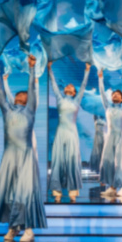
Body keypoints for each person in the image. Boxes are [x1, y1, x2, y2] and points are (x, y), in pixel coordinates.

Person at [0, 54, 46, 242]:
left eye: (25, 94)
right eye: (18, 94)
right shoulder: (7, 110)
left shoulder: (30, 110)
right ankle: (13, 227)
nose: (21, 95)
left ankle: (28, 229)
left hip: (25, 156)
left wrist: (32, 68)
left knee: (25, 191)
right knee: (10, 192)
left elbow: (32, 88)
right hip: (9, 156)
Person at [49, 61, 90, 203]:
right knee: (58, 161)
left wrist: (87, 71)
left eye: (71, 86)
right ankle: (57, 192)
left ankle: (73, 192)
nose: (68, 86)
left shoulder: (76, 101)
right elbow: (54, 85)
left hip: (72, 133)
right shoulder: (59, 99)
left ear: (74, 93)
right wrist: (50, 69)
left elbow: (83, 86)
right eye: (67, 85)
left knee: (72, 162)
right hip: (60, 133)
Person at [97, 68, 122, 200]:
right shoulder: (108, 107)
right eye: (113, 94)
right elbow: (102, 93)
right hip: (109, 137)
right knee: (108, 161)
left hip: (120, 137)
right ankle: (112, 187)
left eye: (118, 94)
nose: (115, 95)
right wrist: (100, 78)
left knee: (120, 162)